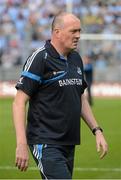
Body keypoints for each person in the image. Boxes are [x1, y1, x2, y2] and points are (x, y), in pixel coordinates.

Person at [12, 12, 108, 179]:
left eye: (79, 31)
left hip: (69, 142)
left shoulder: (76, 58)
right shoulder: (40, 58)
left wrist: (97, 130)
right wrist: (21, 144)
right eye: (73, 31)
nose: (78, 35)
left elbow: (80, 97)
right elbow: (19, 102)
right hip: (46, 142)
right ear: (57, 32)